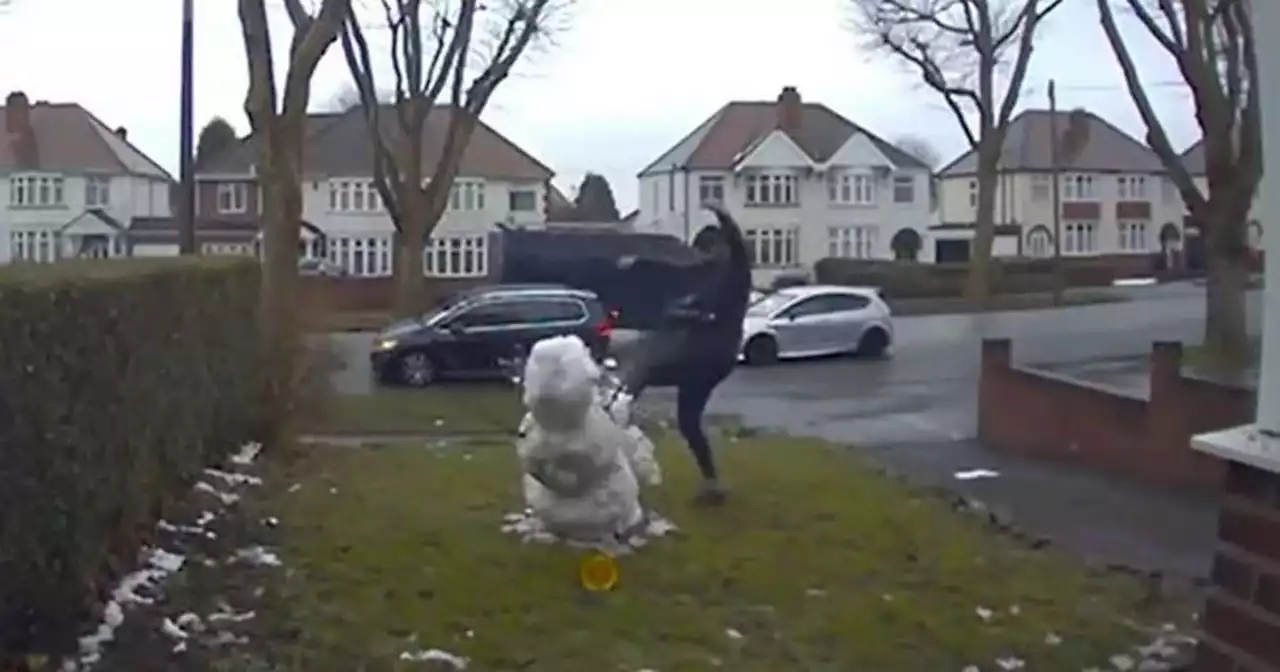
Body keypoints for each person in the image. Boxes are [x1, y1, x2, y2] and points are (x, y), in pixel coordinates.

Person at [613, 202, 752, 506]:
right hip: (701, 359)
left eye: (710, 254)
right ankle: (713, 483)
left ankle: (618, 411)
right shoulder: (707, 278)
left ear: (721, 249)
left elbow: (739, 248)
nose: (706, 261)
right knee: (688, 420)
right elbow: (672, 272)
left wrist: (724, 217)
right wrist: (639, 264)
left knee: (647, 365)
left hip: (714, 353)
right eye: (702, 256)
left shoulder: (737, 275)